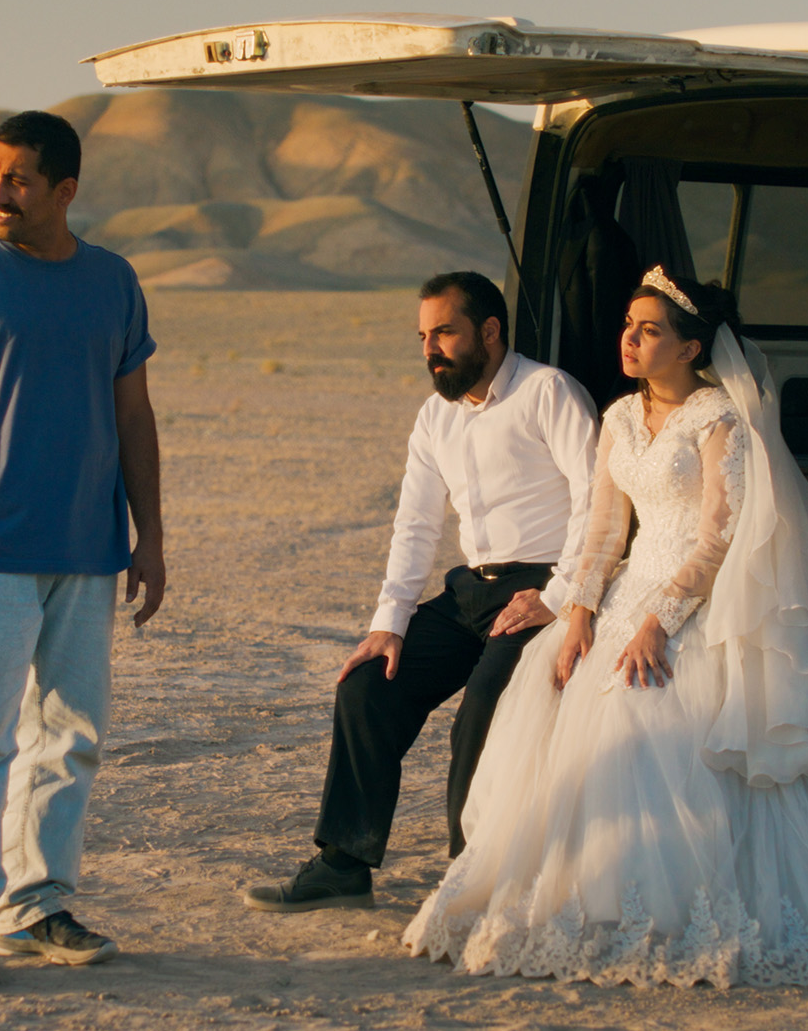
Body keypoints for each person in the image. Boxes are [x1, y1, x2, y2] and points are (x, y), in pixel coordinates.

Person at [403, 267, 808, 988]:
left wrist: (659, 624)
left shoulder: (717, 420)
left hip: (697, 601)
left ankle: (675, 905)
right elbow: (604, 531)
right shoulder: (615, 419)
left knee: (655, 710)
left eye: (649, 330)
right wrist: (578, 615)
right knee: (565, 694)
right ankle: (586, 890)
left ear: (690, 346)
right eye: (628, 327)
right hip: (625, 590)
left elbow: (716, 538)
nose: (630, 339)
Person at [0, 110, 164, 993]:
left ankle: (36, 900)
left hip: (89, 550)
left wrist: (150, 535)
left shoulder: (113, 282)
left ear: (65, 191)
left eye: (16, 180)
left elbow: (134, 414)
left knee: (68, 736)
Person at [245, 271, 599, 913]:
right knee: (367, 686)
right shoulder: (436, 416)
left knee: (482, 710)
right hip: (471, 593)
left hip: (543, 588)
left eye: (444, 333)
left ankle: (472, 877)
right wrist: (391, 622)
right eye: (422, 336)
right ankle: (343, 865)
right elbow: (415, 523)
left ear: (489, 332)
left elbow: (595, 501)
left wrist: (560, 593)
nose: (430, 348)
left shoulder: (550, 392)